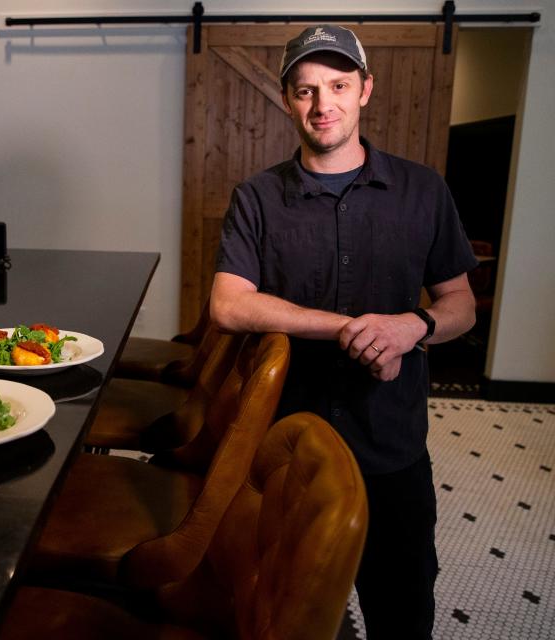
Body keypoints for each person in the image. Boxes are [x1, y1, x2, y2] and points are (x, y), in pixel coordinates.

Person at [209, 25, 477, 640]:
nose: (321, 104)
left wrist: (413, 325)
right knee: (275, 612)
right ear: (286, 99)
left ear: (365, 91)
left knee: (403, 610)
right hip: (284, 442)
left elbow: (460, 303)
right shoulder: (257, 198)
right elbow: (228, 304)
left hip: (391, 440)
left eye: (337, 85)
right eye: (305, 91)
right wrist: (350, 328)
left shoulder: (423, 191)